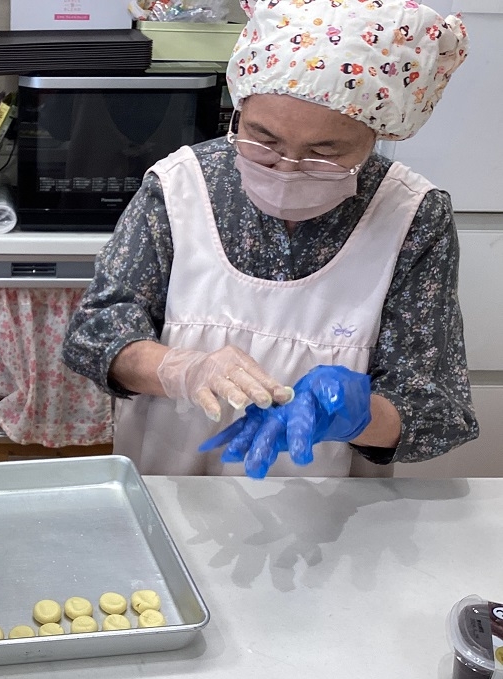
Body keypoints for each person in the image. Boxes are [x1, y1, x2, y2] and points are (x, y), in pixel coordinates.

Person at [63, 0, 478, 478]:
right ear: (239, 108)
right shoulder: (181, 186)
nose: (286, 169)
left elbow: (435, 410)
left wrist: (358, 415)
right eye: (263, 141)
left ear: (379, 133)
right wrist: (184, 368)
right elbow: (94, 335)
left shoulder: (411, 215)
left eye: (325, 153)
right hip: (170, 486)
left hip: (333, 512)